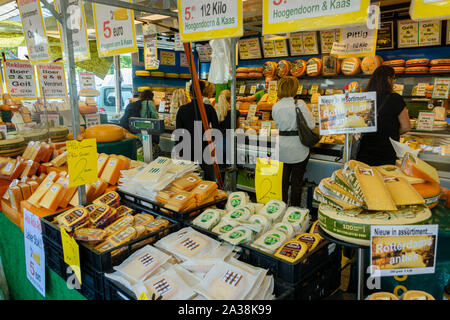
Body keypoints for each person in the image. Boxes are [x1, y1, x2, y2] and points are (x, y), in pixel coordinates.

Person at [272, 76, 315, 207]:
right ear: (294, 89)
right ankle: (294, 210)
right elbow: (312, 125)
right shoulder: (299, 104)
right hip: (298, 148)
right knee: (297, 182)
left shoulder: (275, 106)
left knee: (282, 183)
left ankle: (281, 208)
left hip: (281, 148)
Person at [356, 65, 411, 166]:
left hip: (365, 151)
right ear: (388, 79)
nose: (394, 81)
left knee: (365, 179)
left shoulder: (365, 98)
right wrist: (391, 132)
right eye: (393, 78)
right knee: (384, 180)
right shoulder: (395, 98)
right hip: (386, 152)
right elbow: (406, 127)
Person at [175, 80, 220, 181]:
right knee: (209, 181)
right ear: (203, 91)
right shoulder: (209, 109)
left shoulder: (182, 110)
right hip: (205, 149)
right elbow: (217, 130)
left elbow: (178, 132)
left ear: (190, 93)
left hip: (186, 149)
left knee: (188, 180)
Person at [214, 89, 241, 166]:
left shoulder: (215, 110)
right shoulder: (234, 112)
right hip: (229, 141)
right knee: (232, 166)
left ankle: (221, 178)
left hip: (217, 141)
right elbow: (237, 126)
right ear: (230, 99)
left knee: (220, 167)